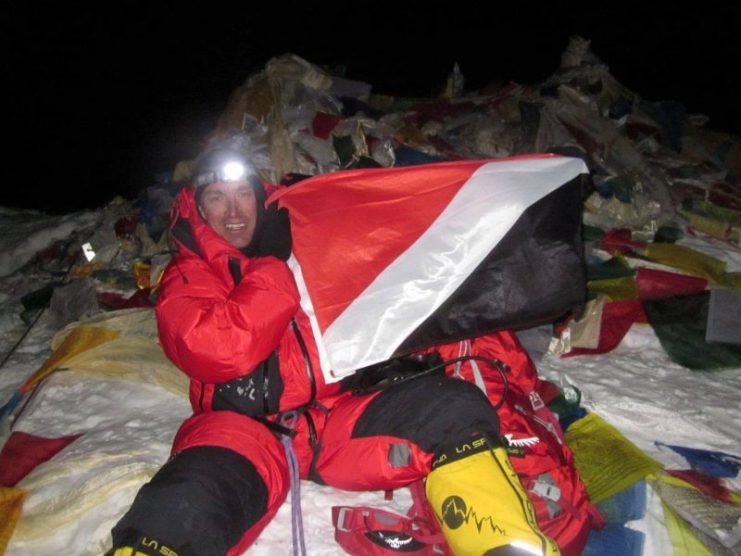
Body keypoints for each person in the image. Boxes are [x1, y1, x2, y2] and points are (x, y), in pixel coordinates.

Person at [108, 145, 564, 556]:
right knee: (190, 499)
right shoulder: (188, 277)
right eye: (217, 198)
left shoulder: (302, 237)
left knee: (453, 409)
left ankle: (502, 545)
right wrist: (270, 264)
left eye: (242, 195)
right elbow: (224, 348)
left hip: (334, 421)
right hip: (246, 433)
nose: (233, 211)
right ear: (199, 208)